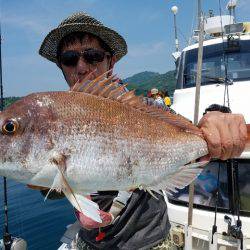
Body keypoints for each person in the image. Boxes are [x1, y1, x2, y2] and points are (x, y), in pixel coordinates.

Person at [38, 12, 247, 250]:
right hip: (91, 243)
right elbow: (52, 186)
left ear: (111, 61)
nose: (82, 67)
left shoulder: (143, 108)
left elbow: (187, 129)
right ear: (61, 66)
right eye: (69, 58)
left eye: (93, 56)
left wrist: (217, 116)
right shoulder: (58, 119)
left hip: (150, 242)